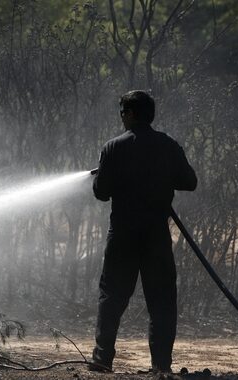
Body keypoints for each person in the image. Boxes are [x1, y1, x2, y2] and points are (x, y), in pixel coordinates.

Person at [90, 90, 197, 373]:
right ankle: (161, 366)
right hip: (155, 237)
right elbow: (190, 182)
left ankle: (102, 360)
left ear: (133, 114)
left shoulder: (113, 147)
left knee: (112, 296)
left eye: (123, 112)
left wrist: (105, 173)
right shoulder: (168, 145)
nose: (121, 117)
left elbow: (101, 192)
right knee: (162, 301)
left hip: (123, 235)